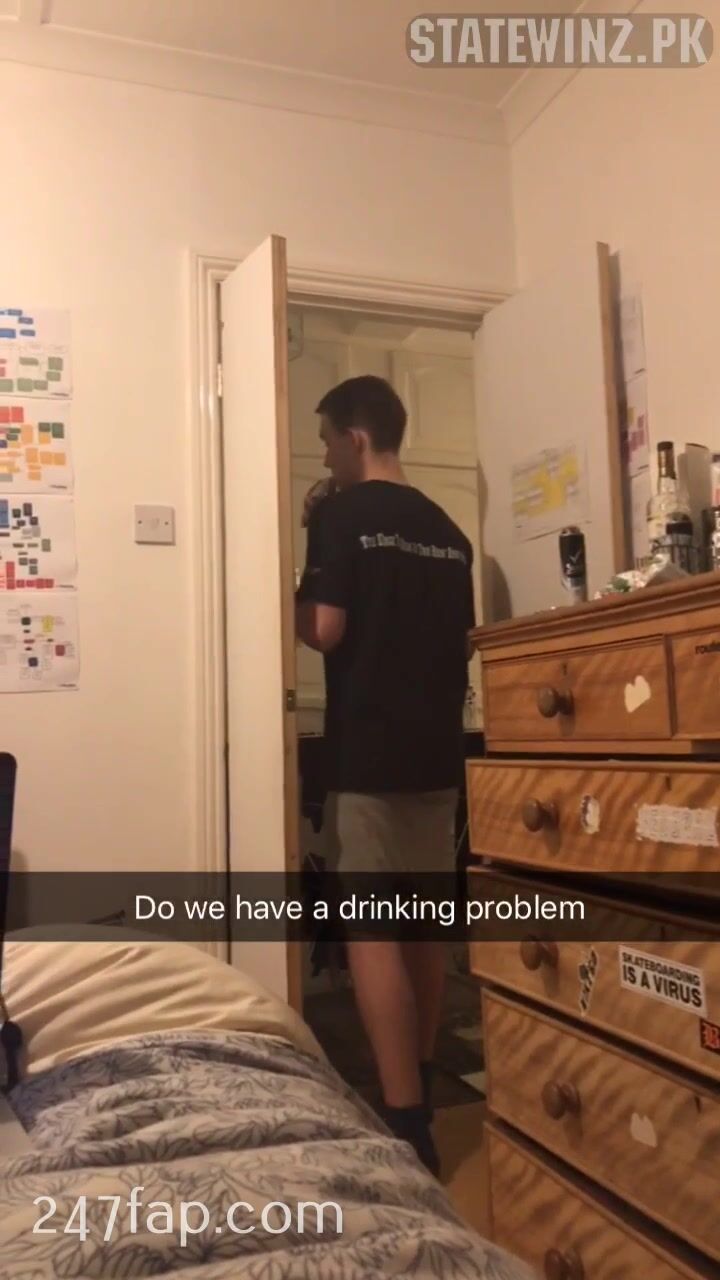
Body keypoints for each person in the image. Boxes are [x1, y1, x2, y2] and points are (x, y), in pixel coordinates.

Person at [295, 374, 475, 1176]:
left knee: (371, 932)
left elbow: (325, 629)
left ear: (355, 438)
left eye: (327, 442)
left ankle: (404, 1119)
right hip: (436, 753)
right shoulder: (447, 530)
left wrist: (297, 583)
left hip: (367, 753)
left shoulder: (339, 516)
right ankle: (424, 1087)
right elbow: (461, 641)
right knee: (423, 930)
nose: (325, 458)